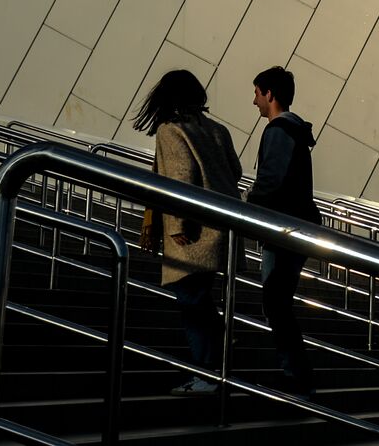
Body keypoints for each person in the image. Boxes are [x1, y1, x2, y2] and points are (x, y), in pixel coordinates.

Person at [135, 69, 244, 397]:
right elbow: (235, 171)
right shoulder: (217, 129)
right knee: (198, 298)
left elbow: (181, 177)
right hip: (221, 227)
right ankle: (217, 355)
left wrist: (178, 225)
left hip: (192, 232)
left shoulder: (171, 131)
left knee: (190, 301)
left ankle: (207, 370)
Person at [249, 65, 321, 396]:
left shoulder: (278, 130)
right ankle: (295, 372)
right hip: (296, 226)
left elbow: (270, 180)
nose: (254, 101)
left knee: (275, 303)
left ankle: (296, 374)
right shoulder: (295, 132)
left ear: (270, 95)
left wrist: (249, 207)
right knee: (277, 302)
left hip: (283, 230)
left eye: (257, 93)